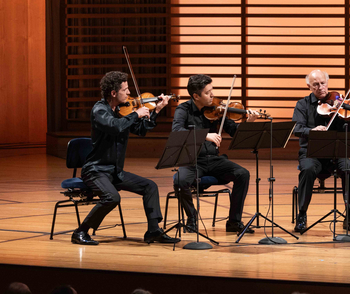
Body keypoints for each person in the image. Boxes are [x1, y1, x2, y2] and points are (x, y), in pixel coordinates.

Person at [71, 71, 177, 245]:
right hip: (95, 170)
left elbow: (141, 130)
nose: (129, 94)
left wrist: (156, 110)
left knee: (150, 186)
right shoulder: (100, 110)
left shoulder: (122, 112)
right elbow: (114, 127)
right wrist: (136, 114)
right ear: (113, 93)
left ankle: (153, 231)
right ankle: (80, 232)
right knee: (112, 197)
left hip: (114, 172)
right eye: (125, 90)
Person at [172, 74, 259, 234]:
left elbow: (234, 132)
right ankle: (192, 218)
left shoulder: (218, 109)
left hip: (213, 160)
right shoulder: (183, 109)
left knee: (242, 174)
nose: (212, 95)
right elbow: (177, 131)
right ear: (196, 96)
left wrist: (249, 123)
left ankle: (234, 221)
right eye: (207, 92)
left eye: (212, 90)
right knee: (179, 180)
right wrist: (204, 135)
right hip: (192, 161)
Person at [292, 70, 350, 232]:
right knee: (308, 169)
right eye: (316, 85)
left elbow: (348, 132)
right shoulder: (302, 104)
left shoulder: (338, 103)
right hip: (311, 153)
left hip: (335, 152)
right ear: (309, 87)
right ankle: (302, 215)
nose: (321, 88)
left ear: (327, 83)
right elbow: (297, 128)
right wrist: (312, 131)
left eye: (323, 83)